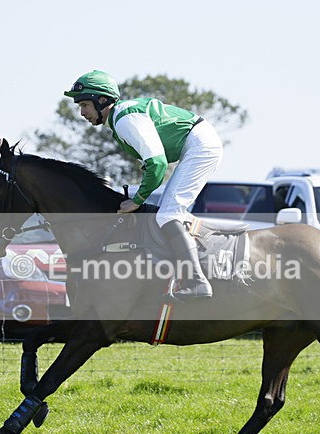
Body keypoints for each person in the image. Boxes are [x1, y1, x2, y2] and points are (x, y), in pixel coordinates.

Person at [64, 70, 223, 300]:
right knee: (166, 213)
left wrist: (137, 200)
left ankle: (197, 282)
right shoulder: (119, 121)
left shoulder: (125, 119)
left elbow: (157, 164)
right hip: (197, 143)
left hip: (200, 145)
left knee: (168, 215)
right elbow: (153, 165)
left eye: (85, 105)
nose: (82, 113)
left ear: (102, 101)